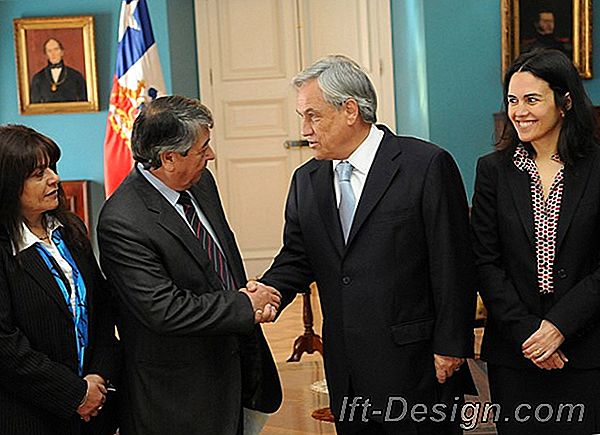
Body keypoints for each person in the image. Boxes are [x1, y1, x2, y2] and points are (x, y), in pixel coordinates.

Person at [251, 55, 476, 434]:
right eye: (301, 116)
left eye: (313, 116)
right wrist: (270, 291)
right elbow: (297, 256)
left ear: (350, 110)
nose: (304, 129)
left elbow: (453, 262)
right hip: (347, 370)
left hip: (417, 365)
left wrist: (451, 345)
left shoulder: (426, 165)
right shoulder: (306, 180)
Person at [97, 95, 282, 435]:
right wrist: (243, 304)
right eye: (202, 148)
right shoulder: (123, 220)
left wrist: (247, 293)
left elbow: (219, 257)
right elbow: (163, 309)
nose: (210, 155)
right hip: (179, 395)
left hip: (232, 368)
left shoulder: (201, 183)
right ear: (168, 158)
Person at [471, 49, 600, 434]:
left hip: (588, 347)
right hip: (515, 352)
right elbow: (485, 261)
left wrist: (559, 326)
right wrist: (529, 332)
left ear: (565, 102)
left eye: (531, 99)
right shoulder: (492, 171)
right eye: (512, 100)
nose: (519, 111)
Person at [0, 125, 118, 434]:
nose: (54, 178)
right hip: (29, 415)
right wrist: (75, 393)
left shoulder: (69, 229)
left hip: (95, 408)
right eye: (39, 174)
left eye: (52, 168)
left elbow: (101, 310)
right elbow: (5, 346)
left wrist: (97, 378)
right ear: (8, 184)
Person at [30, 38, 87, 103]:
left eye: (56, 49)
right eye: (49, 51)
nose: (53, 54)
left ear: (62, 52)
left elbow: (84, 102)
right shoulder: (38, 78)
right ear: (46, 54)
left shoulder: (76, 76)